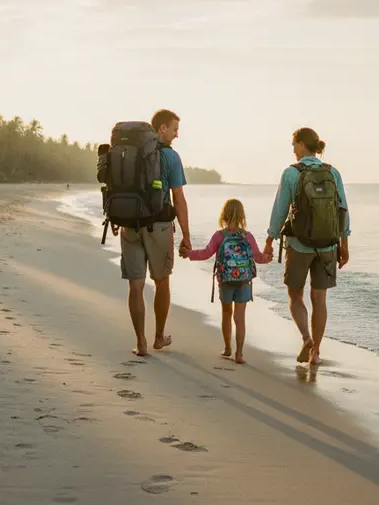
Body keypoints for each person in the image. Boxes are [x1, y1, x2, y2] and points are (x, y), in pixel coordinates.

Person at [263, 127, 350, 366]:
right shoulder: (333, 173)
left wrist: (270, 239)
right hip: (327, 246)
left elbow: (280, 209)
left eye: (294, 145)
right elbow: (343, 210)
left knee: (294, 294)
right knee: (319, 299)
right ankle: (316, 353)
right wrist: (345, 243)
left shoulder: (291, 173)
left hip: (299, 244)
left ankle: (306, 338)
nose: (293, 150)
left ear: (302, 145)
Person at [120, 109, 191, 356]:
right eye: (174, 129)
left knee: (136, 286)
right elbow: (178, 198)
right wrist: (186, 236)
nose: (176, 134)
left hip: (129, 224)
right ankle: (159, 338)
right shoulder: (170, 157)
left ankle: (140, 342)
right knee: (162, 282)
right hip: (159, 227)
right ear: (162, 128)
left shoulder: (130, 153)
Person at [183, 198, 272, 364]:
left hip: (225, 280)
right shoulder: (248, 236)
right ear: (242, 216)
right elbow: (258, 257)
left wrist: (189, 254)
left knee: (226, 314)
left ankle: (227, 348)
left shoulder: (219, 236)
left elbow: (205, 253)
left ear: (223, 215)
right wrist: (268, 258)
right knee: (240, 317)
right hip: (244, 281)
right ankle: (239, 354)